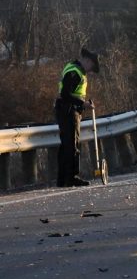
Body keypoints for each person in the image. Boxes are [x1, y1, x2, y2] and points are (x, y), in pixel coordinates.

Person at [55, 47, 100, 187]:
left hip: (65, 110)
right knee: (72, 145)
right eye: (92, 66)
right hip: (69, 111)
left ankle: (62, 179)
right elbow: (65, 94)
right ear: (87, 61)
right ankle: (71, 177)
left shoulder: (73, 68)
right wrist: (83, 103)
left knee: (66, 145)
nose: (91, 70)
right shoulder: (75, 73)